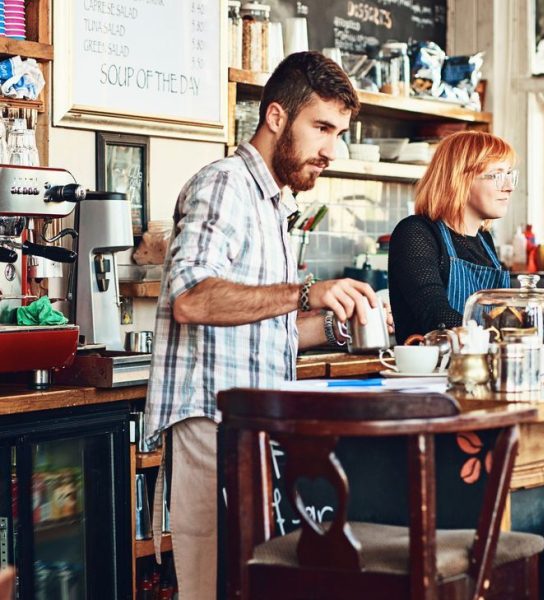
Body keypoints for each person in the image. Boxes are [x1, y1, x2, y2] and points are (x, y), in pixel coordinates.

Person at [142, 52, 381, 600]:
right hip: (212, 420)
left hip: (250, 425)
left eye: (339, 132)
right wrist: (304, 292)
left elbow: (267, 331)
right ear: (276, 117)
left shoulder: (273, 203)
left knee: (252, 585)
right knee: (211, 589)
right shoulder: (225, 184)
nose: (331, 150)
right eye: (321, 128)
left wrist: (341, 322)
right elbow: (191, 300)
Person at [388, 131, 515, 343]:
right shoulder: (416, 233)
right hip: (430, 372)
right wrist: (509, 337)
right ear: (460, 178)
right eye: (497, 175)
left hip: (483, 367)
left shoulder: (485, 240)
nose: (509, 186)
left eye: (510, 174)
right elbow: (438, 318)